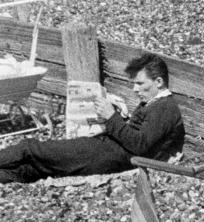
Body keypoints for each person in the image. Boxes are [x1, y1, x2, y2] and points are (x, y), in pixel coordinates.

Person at [0, 53, 185, 184]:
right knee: (34, 169)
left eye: (140, 83)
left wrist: (111, 117)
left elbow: (140, 145)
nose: (135, 90)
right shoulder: (156, 103)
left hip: (108, 156)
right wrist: (115, 116)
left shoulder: (165, 108)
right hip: (107, 150)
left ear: (159, 82)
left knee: (30, 148)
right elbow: (140, 136)